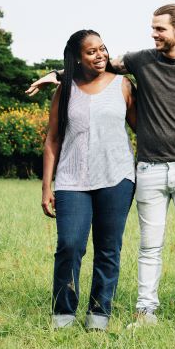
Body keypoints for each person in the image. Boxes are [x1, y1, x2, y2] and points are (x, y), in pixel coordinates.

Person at [29, 4, 175, 325]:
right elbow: (95, 64)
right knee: (146, 246)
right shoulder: (141, 60)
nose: (153, 34)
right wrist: (56, 74)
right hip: (147, 168)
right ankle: (144, 309)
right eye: (153, 29)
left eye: (159, 29)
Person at [41, 29, 136, 331]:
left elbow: (142, 130)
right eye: (91, 51)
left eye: (103, 48)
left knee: (109, 248)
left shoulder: (123, 86)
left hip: (116, 177)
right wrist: (47, 186)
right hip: (72, 179)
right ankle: (63, 313)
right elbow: (52, 139)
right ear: (77, 58)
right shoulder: (65, 89)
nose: (100, 55)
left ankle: (99, 313)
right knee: (69, 244)